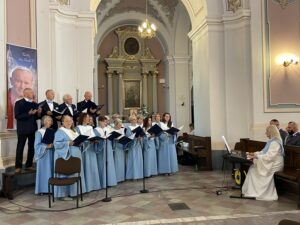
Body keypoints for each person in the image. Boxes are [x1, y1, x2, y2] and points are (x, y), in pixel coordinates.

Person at [242, 125, 284, 200]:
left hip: (275, 163)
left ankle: (258, 193)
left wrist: (256, 157)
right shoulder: (271, 141)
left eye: (266, 131)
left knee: (254, 171)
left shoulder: (275, 142)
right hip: (272, 161)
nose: (265, 133)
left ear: (271, 132)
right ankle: (251, 191)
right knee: (252, 168)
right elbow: (263, 152)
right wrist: (254, 154)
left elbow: (269, 157)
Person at [53, 115, 86, 199]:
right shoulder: (60, 131)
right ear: (62, 122)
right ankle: (63, 195)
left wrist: (80, 143)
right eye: (66, 121)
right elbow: (56, 144)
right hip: (66, 155)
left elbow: (76, 141)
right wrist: (68, 143)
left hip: (76, 154)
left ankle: (74, 192)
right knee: (66, 174)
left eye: (70, 120)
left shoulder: (73, 131)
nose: (69, 122)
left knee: (75, 173)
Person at [14, 88, 41, 173]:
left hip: (32, 128)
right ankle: (18, 166)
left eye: (32, 92)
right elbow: (17, 116)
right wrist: (28, 114)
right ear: (25, 94)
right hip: (23, 129)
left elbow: (37, 117)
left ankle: (29, 165)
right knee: (20, 147)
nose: (32, 93)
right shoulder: (19, 103)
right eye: (31, 92)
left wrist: (39, 113)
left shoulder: (34, 104)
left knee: (31, 147)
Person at [75, 113, 101, 192]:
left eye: (89, 117)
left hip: (91, 149)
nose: (88, 118)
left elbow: (92, 136)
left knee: (92, 166)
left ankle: (94, 185)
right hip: (84, 150)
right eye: (86, 117)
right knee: (86, 166)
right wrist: (83, 141)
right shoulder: (78, 128)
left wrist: (95, 140)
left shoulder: (90, 127)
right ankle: (86, 186)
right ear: (82, 118)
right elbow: (77, 139)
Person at [94, 116, 117, 187]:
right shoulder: (96, 130)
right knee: (102, 164)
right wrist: (99, 140)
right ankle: (103, 182)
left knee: (109, 163)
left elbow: (112, 137)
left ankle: (110, 182)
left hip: (108, 147)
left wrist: (114, 138)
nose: (106, 123)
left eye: (106, 121)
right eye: (104, 121)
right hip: (102, 149)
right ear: (100, 121)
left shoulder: (108, 129)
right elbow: (95, 139)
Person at [34, 116, 54, 194]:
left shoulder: (52, 131)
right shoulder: (39, 132)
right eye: (49, 120)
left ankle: (51, 188)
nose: (51, 122)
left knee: (51, 170)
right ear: (44, 122)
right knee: (44, 172)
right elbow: (37, 145)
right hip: (43, 155)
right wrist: (46, 146)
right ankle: (42, 189)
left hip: (51, 153)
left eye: (51, 120)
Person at [125, 115, 144, 180]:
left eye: (135, 119)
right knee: (133, 160)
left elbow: (142, 134)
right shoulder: (129, 128)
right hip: (132, 146)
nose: (135, 121)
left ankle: (139, 175)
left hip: (138, 145)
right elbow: (128, 136)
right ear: (130, 121)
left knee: (139, 159)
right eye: (133, 120)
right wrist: (134, 137)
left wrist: (140, 137)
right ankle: (133, 176)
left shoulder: (138, 127)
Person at [113, 118, 127, 182]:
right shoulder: (113, 131)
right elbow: (111, 140)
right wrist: (114, 140)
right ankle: (117, 178)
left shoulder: (122, 130)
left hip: (121, 147)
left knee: (122, 162)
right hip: (116, 148)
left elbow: (124, 137)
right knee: (117, 162)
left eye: (121, 123)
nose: (121, 125)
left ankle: (122, 177)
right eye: (119, 123)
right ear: (116, 124)